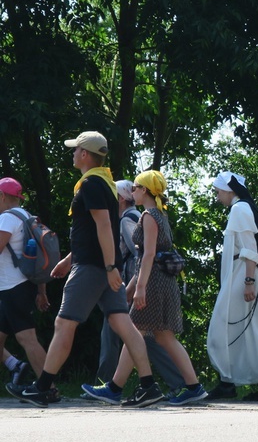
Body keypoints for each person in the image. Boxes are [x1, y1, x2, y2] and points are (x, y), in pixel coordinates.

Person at [5, 131, 162, 408]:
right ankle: (149, 386)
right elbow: (94, 230)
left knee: (64, 323)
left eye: (76, 150)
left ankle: (42, 388)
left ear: (85, 154)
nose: (73, 154)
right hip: (99, 264)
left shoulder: (90, 184)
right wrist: (69, 259)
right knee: (123, 324)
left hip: (93, 267)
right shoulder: (105, 183)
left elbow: (103, 227)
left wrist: (110, 265)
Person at [82, 170, 207, 405]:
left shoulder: (148, 216)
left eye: (136, 188)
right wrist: (133, 287)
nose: (132, 192)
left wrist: (139, 288)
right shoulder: (159, 214)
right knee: (157, 335)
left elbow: (148, 255)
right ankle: (192, 386)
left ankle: (116, 388)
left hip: (153, 284)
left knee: (140, 332)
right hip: (160, 282)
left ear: (145, 191)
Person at [206, 171, 258, 400]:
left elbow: (249, 248)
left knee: (224, 325)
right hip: (255, 274)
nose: (218, 196)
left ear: (230, 190)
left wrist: (248, 281)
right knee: (255, 329)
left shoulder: (239, 209)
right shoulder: (246, 208)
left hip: (247, 274)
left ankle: (229, 383)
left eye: (219, 191)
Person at [0, 178, 51, 389]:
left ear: (2, 196)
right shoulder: (29, 217)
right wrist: (41, 291)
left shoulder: (6, 219)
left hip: (13, 288)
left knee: (27, 338)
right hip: (24, 285)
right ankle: (16, 366)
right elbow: (41, 259)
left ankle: (49, 388)